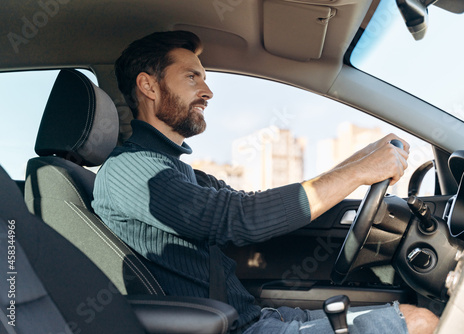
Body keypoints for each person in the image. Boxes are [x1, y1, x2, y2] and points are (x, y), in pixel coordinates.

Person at [92, 30, 439, 334]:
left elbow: (251, 203)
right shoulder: (130, 171)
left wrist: (360, 160)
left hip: (252, 318)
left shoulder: (175, 169)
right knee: (421, 323)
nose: (208, 91)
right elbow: (239, 218)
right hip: (237, 328)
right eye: (192, 77)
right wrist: (358, 173)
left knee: (412, 316)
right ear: (148, 86)